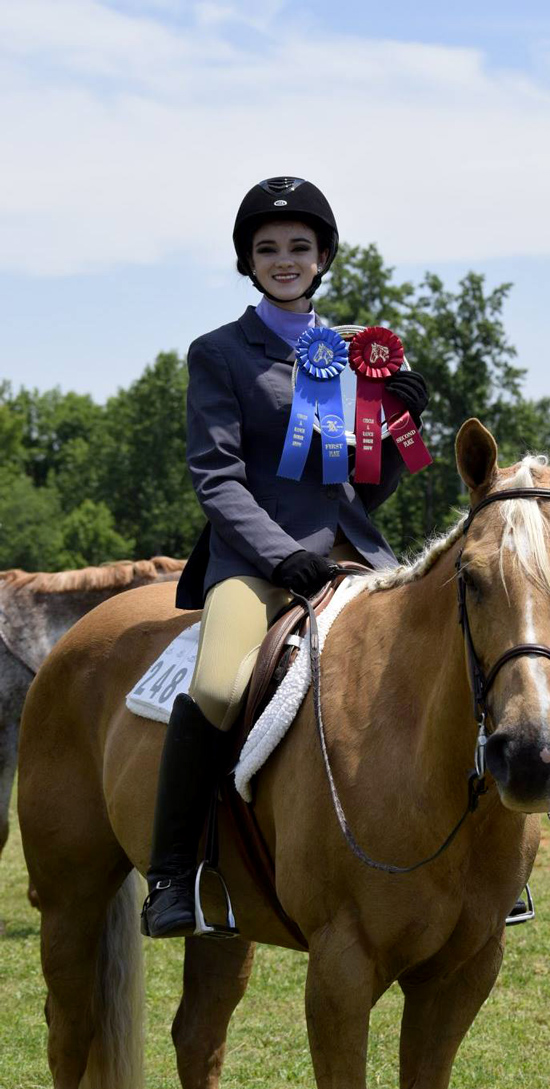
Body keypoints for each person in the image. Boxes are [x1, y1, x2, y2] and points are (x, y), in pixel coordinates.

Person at [141, 177, 428, 938]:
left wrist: (400, 420)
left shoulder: (348, 353)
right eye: (268, 249)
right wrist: (277, 554)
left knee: (447, 661)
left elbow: (364, 482)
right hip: (256, 562)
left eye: (299, 247)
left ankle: (482, 872)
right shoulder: (221, 354)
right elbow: (217, 476)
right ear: (248, 262)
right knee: (217, 684)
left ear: (324, 256)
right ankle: (173, 873)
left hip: (356, 554)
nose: (285, 260)